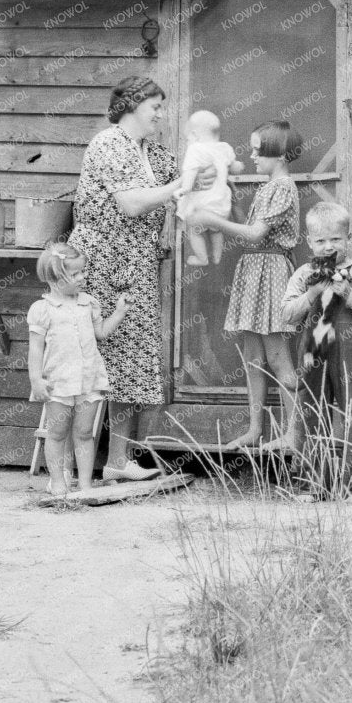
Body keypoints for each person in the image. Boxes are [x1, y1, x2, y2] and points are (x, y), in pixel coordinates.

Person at [71, 75, 215, 481]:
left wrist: (198, 179)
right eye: (155, 106)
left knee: (135, 361)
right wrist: (176, 186)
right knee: (104, 357)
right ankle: (77, 465)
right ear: (132, 104)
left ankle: (120, 461)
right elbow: (131, 203)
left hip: (137, 264)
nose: (160, 115)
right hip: (99, 262)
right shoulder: (107, 144)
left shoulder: (154, 153)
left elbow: (181, 182)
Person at [191, 120, 305, 452]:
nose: (252, 155)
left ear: (280, 153)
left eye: (258, 149)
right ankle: (256, 429)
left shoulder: (282, 186)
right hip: (254, 270)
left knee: (278, 356)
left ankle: (293, 434)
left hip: (269, 270)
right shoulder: (270, 187)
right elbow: (253, 229)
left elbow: (256, 234)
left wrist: (211, 221)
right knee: (254, 354)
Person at [280, 200, 352, 491]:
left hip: (349, 352)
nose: (329, 247)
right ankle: (311, 481)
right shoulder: (304, 274)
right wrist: (313, 293)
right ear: (309, 242)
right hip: (314, 350)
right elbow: (287, 315)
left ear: (349, 239)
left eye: (336, 239)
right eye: (321, 241)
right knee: (310, 408)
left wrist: (350, 294)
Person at [27, 241, 133, 499]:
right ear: (55, 278)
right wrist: (36, 380)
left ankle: (85, 485)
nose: (82, 278)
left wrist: (120, 312)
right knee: (57, 433)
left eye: (83, 272)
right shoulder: (43, 309)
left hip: (88, 379)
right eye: (75, 274)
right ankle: (58, 482)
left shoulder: (88, 303)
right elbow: (35, 350)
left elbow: (102, 333)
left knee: (85, 433)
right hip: (58, 381)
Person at [176, 109, 243, 267]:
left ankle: (202, 258)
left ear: (195, 135)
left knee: (194, 229)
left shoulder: (195, 149)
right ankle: (217, 256)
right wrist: (239, 166)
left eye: (187, 139)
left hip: (201, 206)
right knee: (216, 230)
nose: (187, 142)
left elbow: (190, 173)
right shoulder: (224, 148)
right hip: (221, 206)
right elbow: (234, 167)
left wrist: (184, 189)